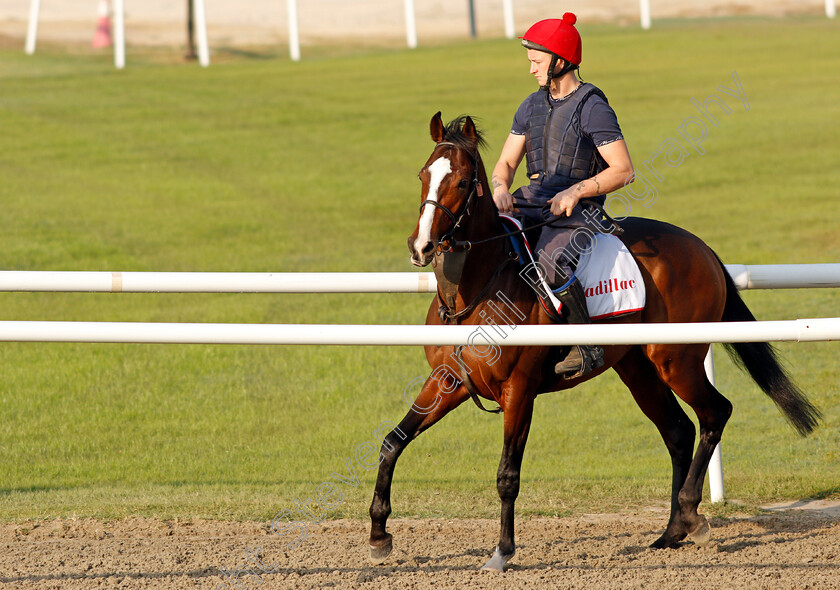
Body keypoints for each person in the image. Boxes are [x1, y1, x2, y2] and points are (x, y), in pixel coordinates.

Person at [491, 13, 635, 379]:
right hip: (532, 199)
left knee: (550, 260)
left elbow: (623, 170)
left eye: (536, 63)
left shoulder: (593, 106)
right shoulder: (529, 106)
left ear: (560, 60)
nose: (531, 71)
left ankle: (586, 345)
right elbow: (506, 161)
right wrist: (500, 187)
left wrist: (577, 190)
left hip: (581, 209)